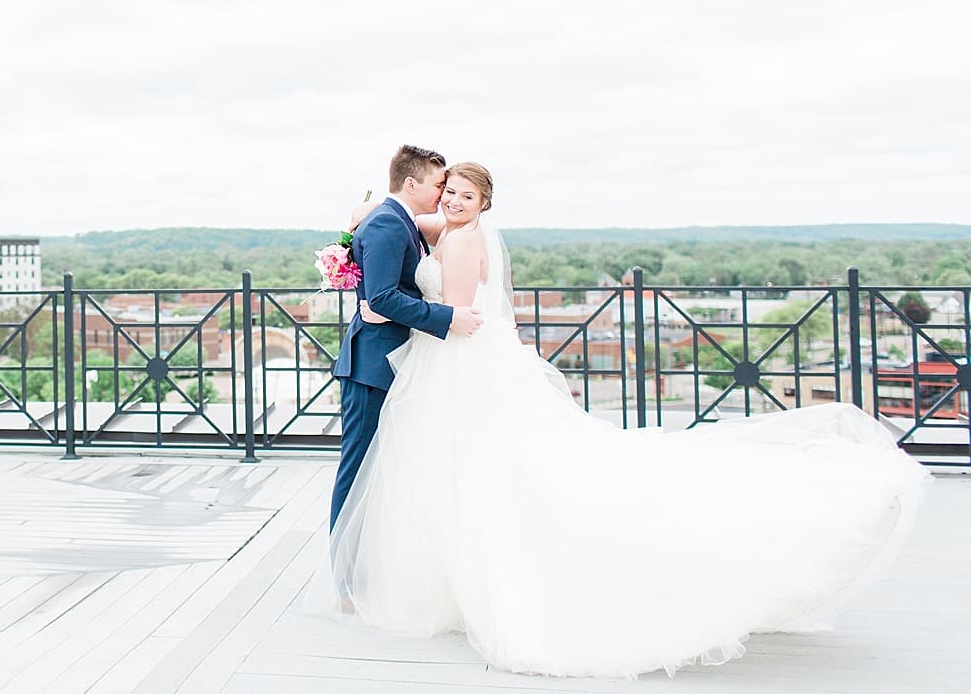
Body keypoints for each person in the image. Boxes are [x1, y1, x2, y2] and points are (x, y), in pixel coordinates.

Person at [325, 162, 932, 678]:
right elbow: (403, 224)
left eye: (464, 195)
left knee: (471, 469)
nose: (451, 201)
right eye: (447, 191)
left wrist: (388, 309)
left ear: (483, 204)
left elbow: (456, 315)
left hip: (457, 363)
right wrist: (360, 221)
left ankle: (463, 577)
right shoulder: (457, 227)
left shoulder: (459, 240)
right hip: (463, 361)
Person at [329, 145, 484, 531]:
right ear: (412, 183)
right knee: (358, 469)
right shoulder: (388, 222)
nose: (444, 194)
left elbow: (391, 292)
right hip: (373, 366)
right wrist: (447, 317)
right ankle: (345, 572)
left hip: (399, 362)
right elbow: (382, 296)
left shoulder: (405, 221)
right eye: (440, 185)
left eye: (458, 191)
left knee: (381, 471)